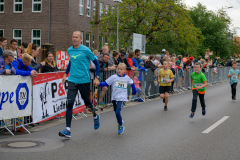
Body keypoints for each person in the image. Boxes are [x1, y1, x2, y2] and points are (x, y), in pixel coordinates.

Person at [59, 31, 100, 138]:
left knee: (87, 102)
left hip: (84, 80)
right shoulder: (70, 50)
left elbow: (97, 64)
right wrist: (65, 74)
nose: (74, 39)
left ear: (81, 39)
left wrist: (97, 77)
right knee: (69, 104)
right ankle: (67, 130)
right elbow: (72, 62)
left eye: (76, 37)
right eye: (73, 37)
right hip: (72, 80)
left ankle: (95, 116)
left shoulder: (86, 50)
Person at [98, 63, 136, 135]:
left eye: (121, 69)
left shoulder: (127, 78)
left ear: (124, 70)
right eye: (118, 69)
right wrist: (98, 83)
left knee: (118, 112)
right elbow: (105, 83)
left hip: (122, 98)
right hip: (114, 98)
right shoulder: (113, 77)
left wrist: (134, 90)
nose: (119, 70)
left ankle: (120, 125)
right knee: (116, 112)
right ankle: (120, 121)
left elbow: (132, 83)